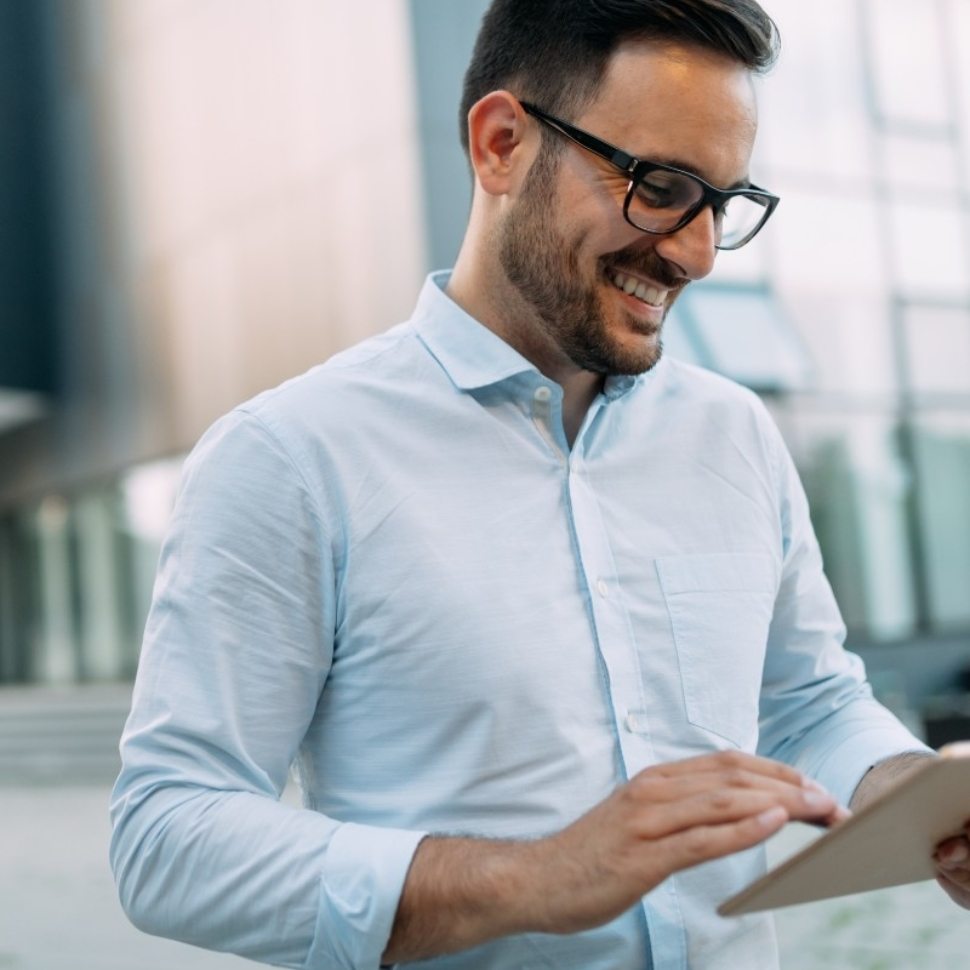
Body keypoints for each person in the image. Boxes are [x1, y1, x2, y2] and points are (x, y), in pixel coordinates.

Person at [109, 2, 970, 968]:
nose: (692, 252)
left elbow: (805, 699)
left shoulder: (735, 436)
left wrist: (908, 791)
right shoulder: (290, 456)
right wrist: (538, 877)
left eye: (721, 204)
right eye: (659, 185)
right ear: (502, 144)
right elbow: (165, 837)